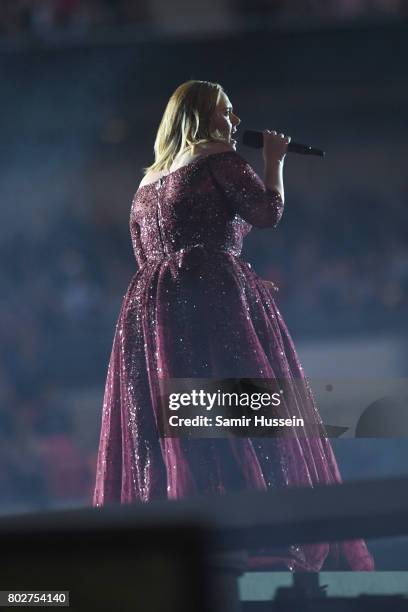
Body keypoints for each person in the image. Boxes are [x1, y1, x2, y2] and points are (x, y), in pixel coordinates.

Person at [93, 79, 374, 571]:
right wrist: (275, 161)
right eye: (225, 110)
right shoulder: (219, 155)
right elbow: (267, 212)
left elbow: (146, 253)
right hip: (212, 292)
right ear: (201, 116)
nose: (234, 121)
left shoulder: (146, 182)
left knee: (179, 421)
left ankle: (185, 530)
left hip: (151, 306)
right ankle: (264, 537)